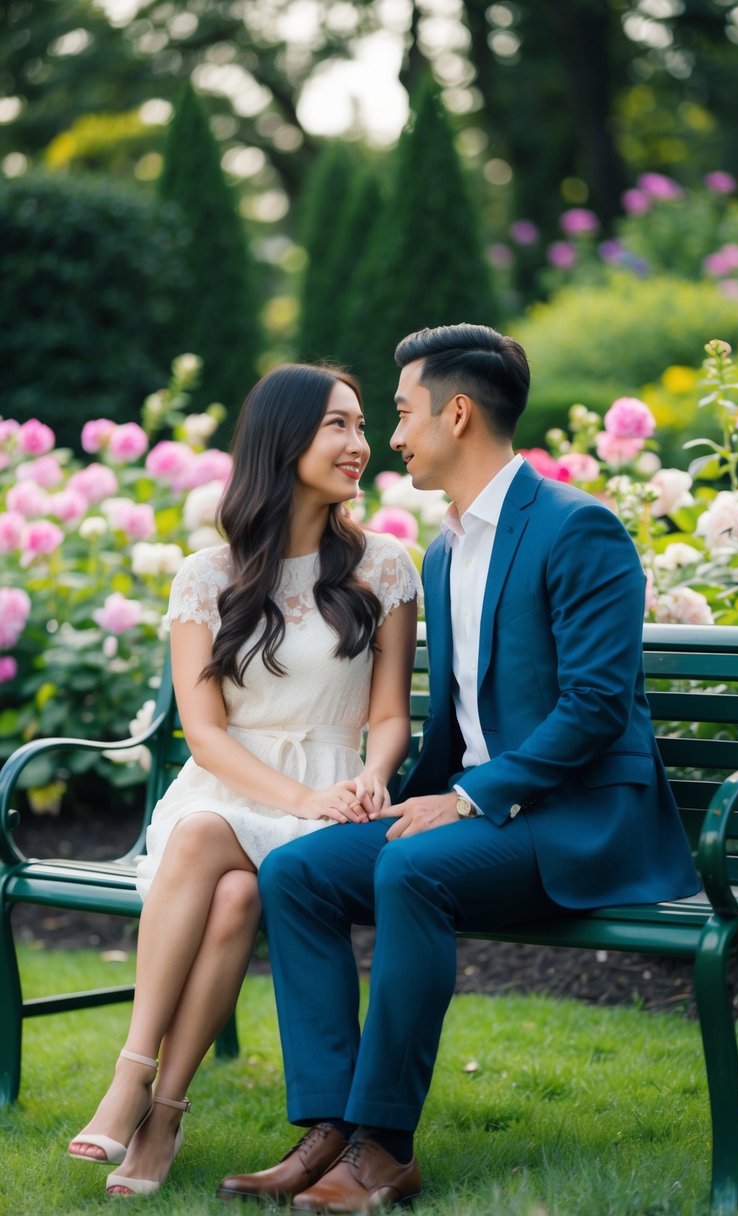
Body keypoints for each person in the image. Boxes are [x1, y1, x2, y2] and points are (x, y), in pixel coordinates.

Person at [217, 323, 700, 1212]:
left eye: (401, 413)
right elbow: (463, 718)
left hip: (579, 821)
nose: (390, 437)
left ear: (459, 412)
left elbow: (595, 707)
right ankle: (328, 1130)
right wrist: (391, 792)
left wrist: (469, 798)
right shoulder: (442, 551)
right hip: (483, 817)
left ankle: (385, 1148)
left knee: (413, 868)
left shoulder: (576, 528)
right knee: (297, 873)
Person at [66, 363, 421, 1198]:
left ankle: (140, 1096)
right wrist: (296, 797)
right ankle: (152, 1100)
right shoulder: (206, 574)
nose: (360, 444)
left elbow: (390, 716)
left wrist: (370, 776)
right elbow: (204, 733)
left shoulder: (384, 567)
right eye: (338, 425)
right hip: (229, 790)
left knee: (226, 883)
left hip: (334, 791)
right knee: (212, 864)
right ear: (283, 436)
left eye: (364, 426)